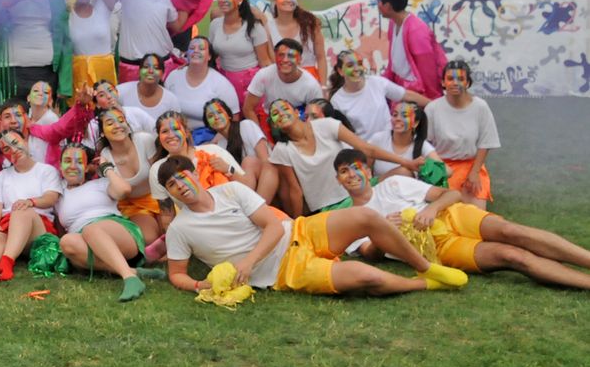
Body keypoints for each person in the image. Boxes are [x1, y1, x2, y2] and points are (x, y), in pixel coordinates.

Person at [158, 156, 468, 296]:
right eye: (172, 184)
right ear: (170, 193)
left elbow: (274, 227)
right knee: (364, 277)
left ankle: (425, 267)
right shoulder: (180, 229)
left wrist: (248, 262)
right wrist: (201, 285)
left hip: (299, 230)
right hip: (283, 272)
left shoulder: (230, 190)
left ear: (195, 174)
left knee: (367, 217)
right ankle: (424, 284)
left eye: (183, 176)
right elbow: (177, 274)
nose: (180, 185)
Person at [336, 151, 590, 290]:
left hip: (451, 215)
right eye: (344, 171)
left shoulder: (393, 184)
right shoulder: (348, 220)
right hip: (436, 248)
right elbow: (371, 255)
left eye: (357, 167)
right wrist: (384, 232)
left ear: (369, 172)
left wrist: (432, 209)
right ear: (338, 180)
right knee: (512, 256)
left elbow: (453, 193)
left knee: (511, 230)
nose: (352, 175)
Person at [267, 98, 398, 216]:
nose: (281, 114)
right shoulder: (281, 150)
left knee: (403, 171)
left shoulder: (326, 125)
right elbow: (295, 191)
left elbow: (367, 149)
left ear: (296, 112)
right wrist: (297, 223)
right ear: (275, 124)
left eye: (284, 108)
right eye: (275, 113)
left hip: (361, 188)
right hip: (331, 207)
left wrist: (408, 163)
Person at [56, 142, 149, 302]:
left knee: (91, 229)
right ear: (60, 165)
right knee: (67, 242)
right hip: (85, 241)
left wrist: (107, 168)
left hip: (117, 232)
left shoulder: (100, 184)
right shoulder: (58, 193)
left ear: (87, 167)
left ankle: (129, 278)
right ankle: (132, 271)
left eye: (79, 162)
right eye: (67, 160)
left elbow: (124, 190)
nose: (72, 166)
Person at [0, 127, 63, 281]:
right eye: (6, 149)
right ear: (4, 156)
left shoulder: (46, 171)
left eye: (15, 142)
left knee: (21, 210)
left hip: (38, 230)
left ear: (25, 142)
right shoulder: (0, 177)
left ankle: (6, 261)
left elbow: (51, 197)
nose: (14, 150)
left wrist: (30, 202)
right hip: (9, 228)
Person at [425, 60, 500, 209]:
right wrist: (439, 169)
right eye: (450, 79)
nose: (455, 83)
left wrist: (475, 172)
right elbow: (424, 143)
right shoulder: (432, 108)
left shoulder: (480, 107)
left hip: (471, 166)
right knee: (446, 214)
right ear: (443, 83)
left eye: (461, 79)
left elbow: (486, 142)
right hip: (442, 167)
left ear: (468, 83)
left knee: (475, 216)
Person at [327, 49, 429, 141]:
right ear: (340, 71)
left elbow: (406, 95)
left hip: (390, 147)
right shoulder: (337, 101)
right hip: (364, 154)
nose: (356, 68)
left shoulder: (376, 82)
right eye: (350, 65)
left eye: (359, 63)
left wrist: (434, 105)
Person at [114, 0, 183, 83]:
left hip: (161, 64)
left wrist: (187, 6)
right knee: (128, 104)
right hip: (131, 66)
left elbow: (177, 26)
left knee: (163, 104)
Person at [94, 107, 161, 246]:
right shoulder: (106, 156)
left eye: (121, 120)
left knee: (174, 231)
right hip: (134, 205)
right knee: (149, 239)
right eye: (110, 123)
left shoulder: (144, 140)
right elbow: (122, 192)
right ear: (102, 133)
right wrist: (106, 169)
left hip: (159, 196)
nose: (118, 125)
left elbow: (160, 174)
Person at [375, 0, 447, 100]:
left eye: (378, 1)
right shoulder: (393, 23)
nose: (377, 5)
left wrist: (431, 101)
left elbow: (428, 71)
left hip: (417, 91)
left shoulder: (416, 31)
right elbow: (394, 61)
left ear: (388, 6)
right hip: (400, 86)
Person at [207, 0, 273, 106]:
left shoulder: (253, 26)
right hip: (224, 81)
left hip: (250, 85)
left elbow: (264, 61)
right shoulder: (215, 25)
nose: (223, 0)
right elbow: (210, 55)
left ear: (240, 0)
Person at [202, 99, 278, 203]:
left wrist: (228, 168)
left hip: (271, 177)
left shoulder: (246, 125)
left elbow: (266, 161)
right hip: (247, 187)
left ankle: (257, 207)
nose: (216, 117)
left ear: (229, 115)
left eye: (219, 112)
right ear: (209, 125)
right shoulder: (220, 145)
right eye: (210, 116)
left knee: (249, 162)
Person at [242, 39, 324, 128]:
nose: (285, 60)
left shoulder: (311, 85)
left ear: (300, 59)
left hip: (299, 122)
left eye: (291, 55)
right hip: (271, 119)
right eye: (281, 55)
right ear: (275, 57)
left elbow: (318, 118)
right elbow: (248, 109)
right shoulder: (263, 75)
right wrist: (259, 136)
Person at [164, 37, 239, 132]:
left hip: (208, 137)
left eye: (201, 48)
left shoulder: (221, 84)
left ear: (209, 56)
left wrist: (214, 141)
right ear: (186, 54)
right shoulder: (173, 76)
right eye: (192, 48)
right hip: (176, 133)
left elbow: (234, 118)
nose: (196, 51)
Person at [365, 99, 432, 180]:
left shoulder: (421, 144)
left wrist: (427, 166)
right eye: (395, 115)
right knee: (404, 171)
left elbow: (447, 171)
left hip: (408, 191)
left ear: (415, 123)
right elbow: (366, 169)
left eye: (405, 116)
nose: (398, 119)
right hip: (379, 188)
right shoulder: (378, 138)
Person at [270, 0, 327, 80]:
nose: (288, 0)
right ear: (275, 1)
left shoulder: (310, 24)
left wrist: (323, 86)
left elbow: (321, 58)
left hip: (309, 81)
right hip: (281, 81)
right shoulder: (267, 27)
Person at [117, 54, 180, 124]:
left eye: (156, 68)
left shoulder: (171, 100)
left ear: (162, 74)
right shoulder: (122, 91)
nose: (150, 71)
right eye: (146, 67)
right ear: (139, 71)